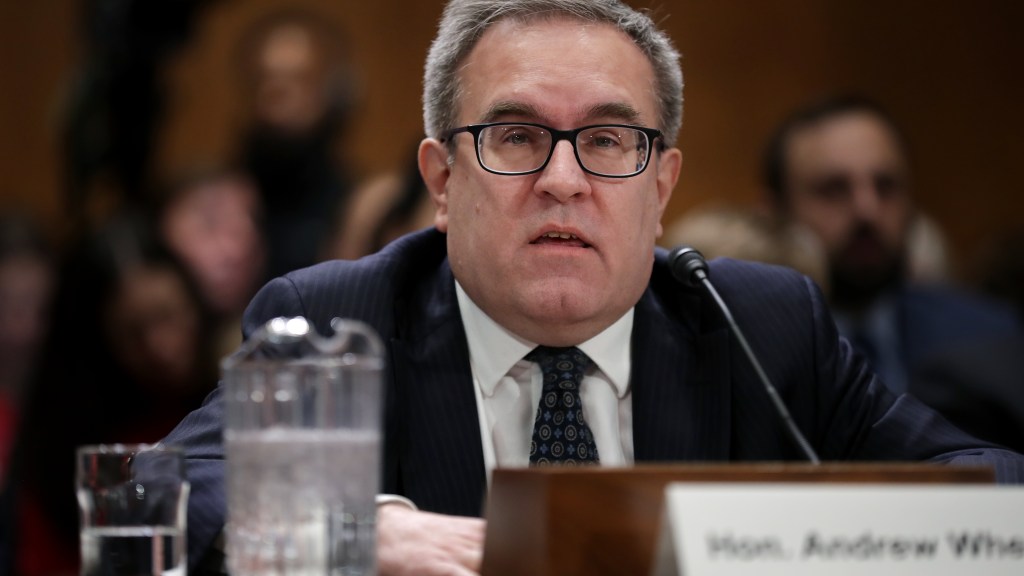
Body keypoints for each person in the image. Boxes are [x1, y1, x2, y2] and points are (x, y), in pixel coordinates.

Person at [155, 2, 1024, 575]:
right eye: (518, 135)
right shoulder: (340, 318)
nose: (565, 179)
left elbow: (983, 482)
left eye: (609, 140)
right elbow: (174, 486)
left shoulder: (760, 325)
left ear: (662, 187)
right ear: (443, 180)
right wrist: (349, 533)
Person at [761, 94, 1022, 395]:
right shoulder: (747, 350)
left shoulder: (991, 335)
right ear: (775, 212)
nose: (867, 210)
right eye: (833, 188)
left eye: (886, 186)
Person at [8, 212, 219, 576]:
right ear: (97, 341)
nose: (162, 347)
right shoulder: (61, 442)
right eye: (134, 332)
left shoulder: (224, 397)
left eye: (169, 316)